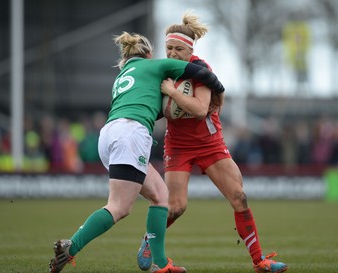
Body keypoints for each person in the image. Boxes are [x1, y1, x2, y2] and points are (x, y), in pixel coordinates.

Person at [48, 31, 225, 273]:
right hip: (131, 134)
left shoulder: (122, 75)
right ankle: (71, 247)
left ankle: (161, 265)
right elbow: (201, 74)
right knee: (119, 207)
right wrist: (219, 91)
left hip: (110, 134)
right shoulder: (155, 66)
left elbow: (148, 102)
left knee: (161, 196)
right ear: (149, 54)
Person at [137, 12, 288, 273]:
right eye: (168, 48)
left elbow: (199, 109)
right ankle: (149, 242)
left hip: (210, 144)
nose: (172, 53)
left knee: (239, 197)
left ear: (190, 50)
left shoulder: (200, 70)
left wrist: (172, 92)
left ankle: (260, 262)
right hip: (178, 146)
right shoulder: (161, 71)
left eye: (178, 49)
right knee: (175, 207)